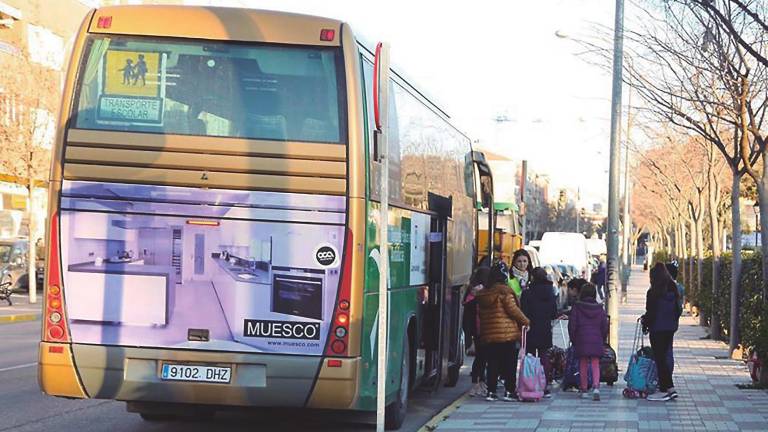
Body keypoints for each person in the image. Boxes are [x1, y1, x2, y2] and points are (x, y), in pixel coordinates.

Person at [477, 262, 530, 402]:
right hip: (507, 334)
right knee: (509, 364)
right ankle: (509, 391)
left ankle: (491, 392)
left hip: (490, 334)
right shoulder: (504, 292)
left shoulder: (484, 294)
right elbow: (513, 310)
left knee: (493, 363)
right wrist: (526, 321)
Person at [642, 263, 682, 402]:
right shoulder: (673, 289)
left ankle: (667, 389)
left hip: (657, 329)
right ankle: (666, 388)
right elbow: (678, 309)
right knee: (664, 356)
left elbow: (651, 312)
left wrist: (645, 322)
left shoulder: (653, 292)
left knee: (659, 359)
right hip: (670, 328)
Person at [520, 267, 558, 397]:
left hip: (531, 328)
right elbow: (554, 313)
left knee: (530, 357)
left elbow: (523, 312)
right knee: (544, 357)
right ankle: (544, 385)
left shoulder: (527, 293)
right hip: (545, 328)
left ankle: (530, 384)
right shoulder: (550, 292)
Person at [568, 283, 608, 401]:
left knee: (583, 364)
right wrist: (602, 338)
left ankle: (584, 389)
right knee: (595, 364)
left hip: (581, 339)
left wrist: (573, 338)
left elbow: (572, 325)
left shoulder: (577, 307)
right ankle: (596, 387)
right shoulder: (600, 308)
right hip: (596, 339)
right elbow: (604, 326)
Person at [463, 266, 490, 397]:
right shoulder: (485, 292)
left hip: (477, 330)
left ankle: (479, 382)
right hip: (484, 329)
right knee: (482, 357)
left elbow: (467, 315)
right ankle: (477, 383)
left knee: (480, 357)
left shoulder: (471, 292)